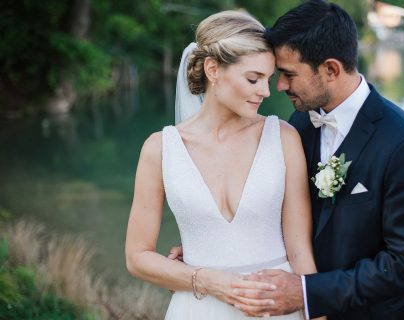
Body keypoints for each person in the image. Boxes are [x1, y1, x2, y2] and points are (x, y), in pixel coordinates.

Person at [228, 1, 404, 319]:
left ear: (331, 70)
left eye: (288, 74)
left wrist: (306, 293)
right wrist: (211, 244)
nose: (280, 86)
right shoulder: (300, 124)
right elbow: (279, 207)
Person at [125, 10, 322, 319]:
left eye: (268, 80)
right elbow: (137, 257)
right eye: (254, 79)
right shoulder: (159, 149)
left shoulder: (283, 138)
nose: (265, 92)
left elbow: (300, 250)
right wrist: (209, 281)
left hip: (275, 306)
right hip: (198, 308)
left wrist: (317, 316)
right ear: (213, 70)